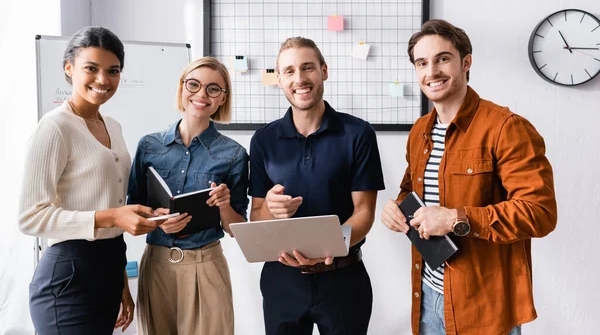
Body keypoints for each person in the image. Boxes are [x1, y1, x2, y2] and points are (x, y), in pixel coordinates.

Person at [381, 19, 558, 335]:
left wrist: (454, 219)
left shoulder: (506, 128)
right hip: (427, 295)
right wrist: (396, 206)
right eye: (422, 63)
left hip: (484, 306)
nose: (431, 71)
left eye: (442, 59)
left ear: (466, 63)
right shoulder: (420, 130)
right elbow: (411, 188)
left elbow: (540, 214)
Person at [18, 27, 160, 335]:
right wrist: (113, 217)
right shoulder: (54, 128)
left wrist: (121, 280)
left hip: (108, 267)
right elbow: (31, 218)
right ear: (69, 68)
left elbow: (109, 205)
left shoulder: (113, 126)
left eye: (113, 71)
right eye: (91, 69)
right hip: (67, 276)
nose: (103, 80)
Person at [250, 37, 385, 335]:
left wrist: (330, 248)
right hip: (281, 281)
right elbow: (256, 218)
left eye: (308, 67)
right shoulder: (263, 140)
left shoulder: (358, 134)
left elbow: (364, 213)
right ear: (280, 79)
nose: (299, 79)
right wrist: (271, 210)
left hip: (343, 279)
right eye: (289, 71)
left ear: (324, 70)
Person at [127, 56, 249, 335]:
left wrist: (225, 205)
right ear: (182, 87)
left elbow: (236, 229)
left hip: (206, 265)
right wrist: (156, 220)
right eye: (193, 84)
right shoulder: (149, 146)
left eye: (213, 89)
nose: (201, 95)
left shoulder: (234, 155)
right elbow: (131, 210)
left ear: (222, 99)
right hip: (157, 264)